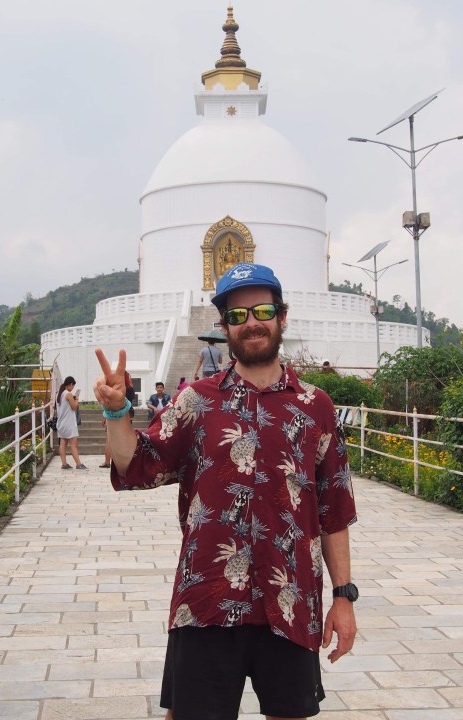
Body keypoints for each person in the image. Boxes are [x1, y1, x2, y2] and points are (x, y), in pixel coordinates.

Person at [94, 262, 358, 720]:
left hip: (290, 596)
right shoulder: (196, 401)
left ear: (281, 316)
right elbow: (135, 466)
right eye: (237, 315)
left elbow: (334, 510)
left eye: (262, 311)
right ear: (224, 326)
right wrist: (118, 413)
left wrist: (343, 597)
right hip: (207, 599)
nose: (251, 322)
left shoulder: (315, 406)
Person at [100, 371, 136, 468]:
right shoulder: (130, 388)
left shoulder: (115, 389)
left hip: (114, 413)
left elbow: (108, 403)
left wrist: (104, 416)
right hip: (128, 413)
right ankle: (124, 460)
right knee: (125, 438)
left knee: (110, 438)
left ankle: (107, 461)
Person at [55, 376, 87, 470]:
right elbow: (74, 407)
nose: (72, 388)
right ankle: (78, 464)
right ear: (71, 384)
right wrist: (77, 397)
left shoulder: (59, 394)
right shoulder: (68, 394)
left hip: (61, 423)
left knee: (63, 443)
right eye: (73, 386)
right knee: (74, 444)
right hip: (69, 423)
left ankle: (64, 464)